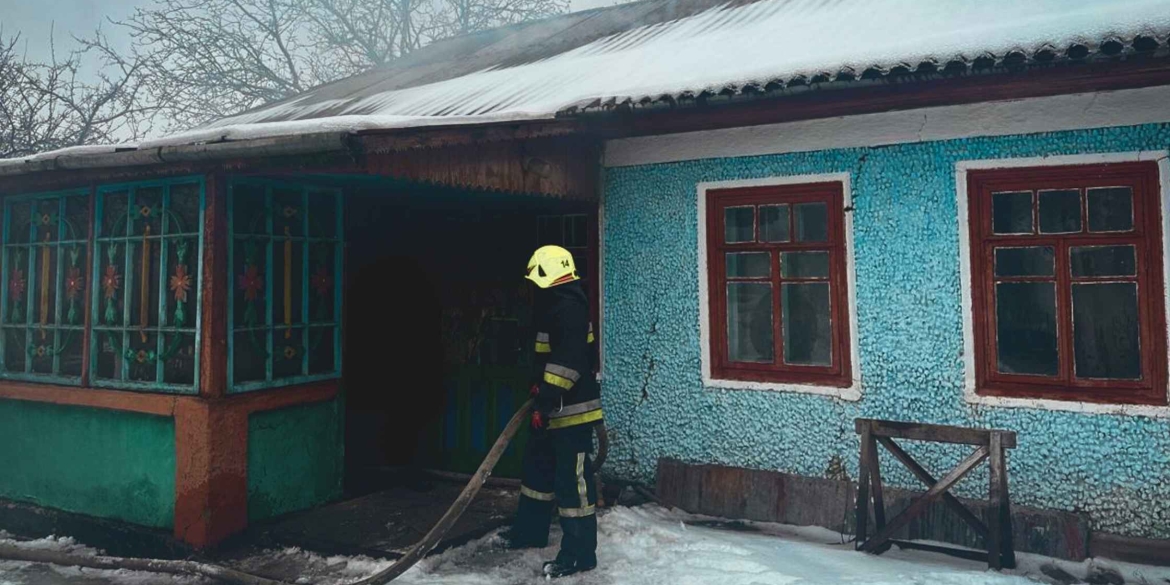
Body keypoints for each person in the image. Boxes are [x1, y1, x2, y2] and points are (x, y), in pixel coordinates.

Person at [500, 245, 602, 579]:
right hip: (550, 408)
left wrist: (544, 399)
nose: (533, 285)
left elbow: (567, 365)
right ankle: (529, 533)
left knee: (573, 486)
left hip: (571, 414)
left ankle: (579, 555)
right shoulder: (554, 306)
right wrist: (538, 393)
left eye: (536, 277)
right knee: (537, 473)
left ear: (547, 273)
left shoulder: (569, 308)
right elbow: (545, 356)